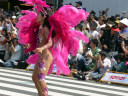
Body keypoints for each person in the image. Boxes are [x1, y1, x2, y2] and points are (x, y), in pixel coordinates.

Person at [17, 1, 89, 96]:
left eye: (38, 14)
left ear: (43, 17)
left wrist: (43, 48)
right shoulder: (40, 27)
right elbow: (38, 41)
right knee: (34, 77)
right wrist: (30, 45)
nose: (36, 16)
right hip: (41, 55)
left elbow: (50, 43)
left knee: (40, 78)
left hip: (46, 55)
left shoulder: (45, 28)